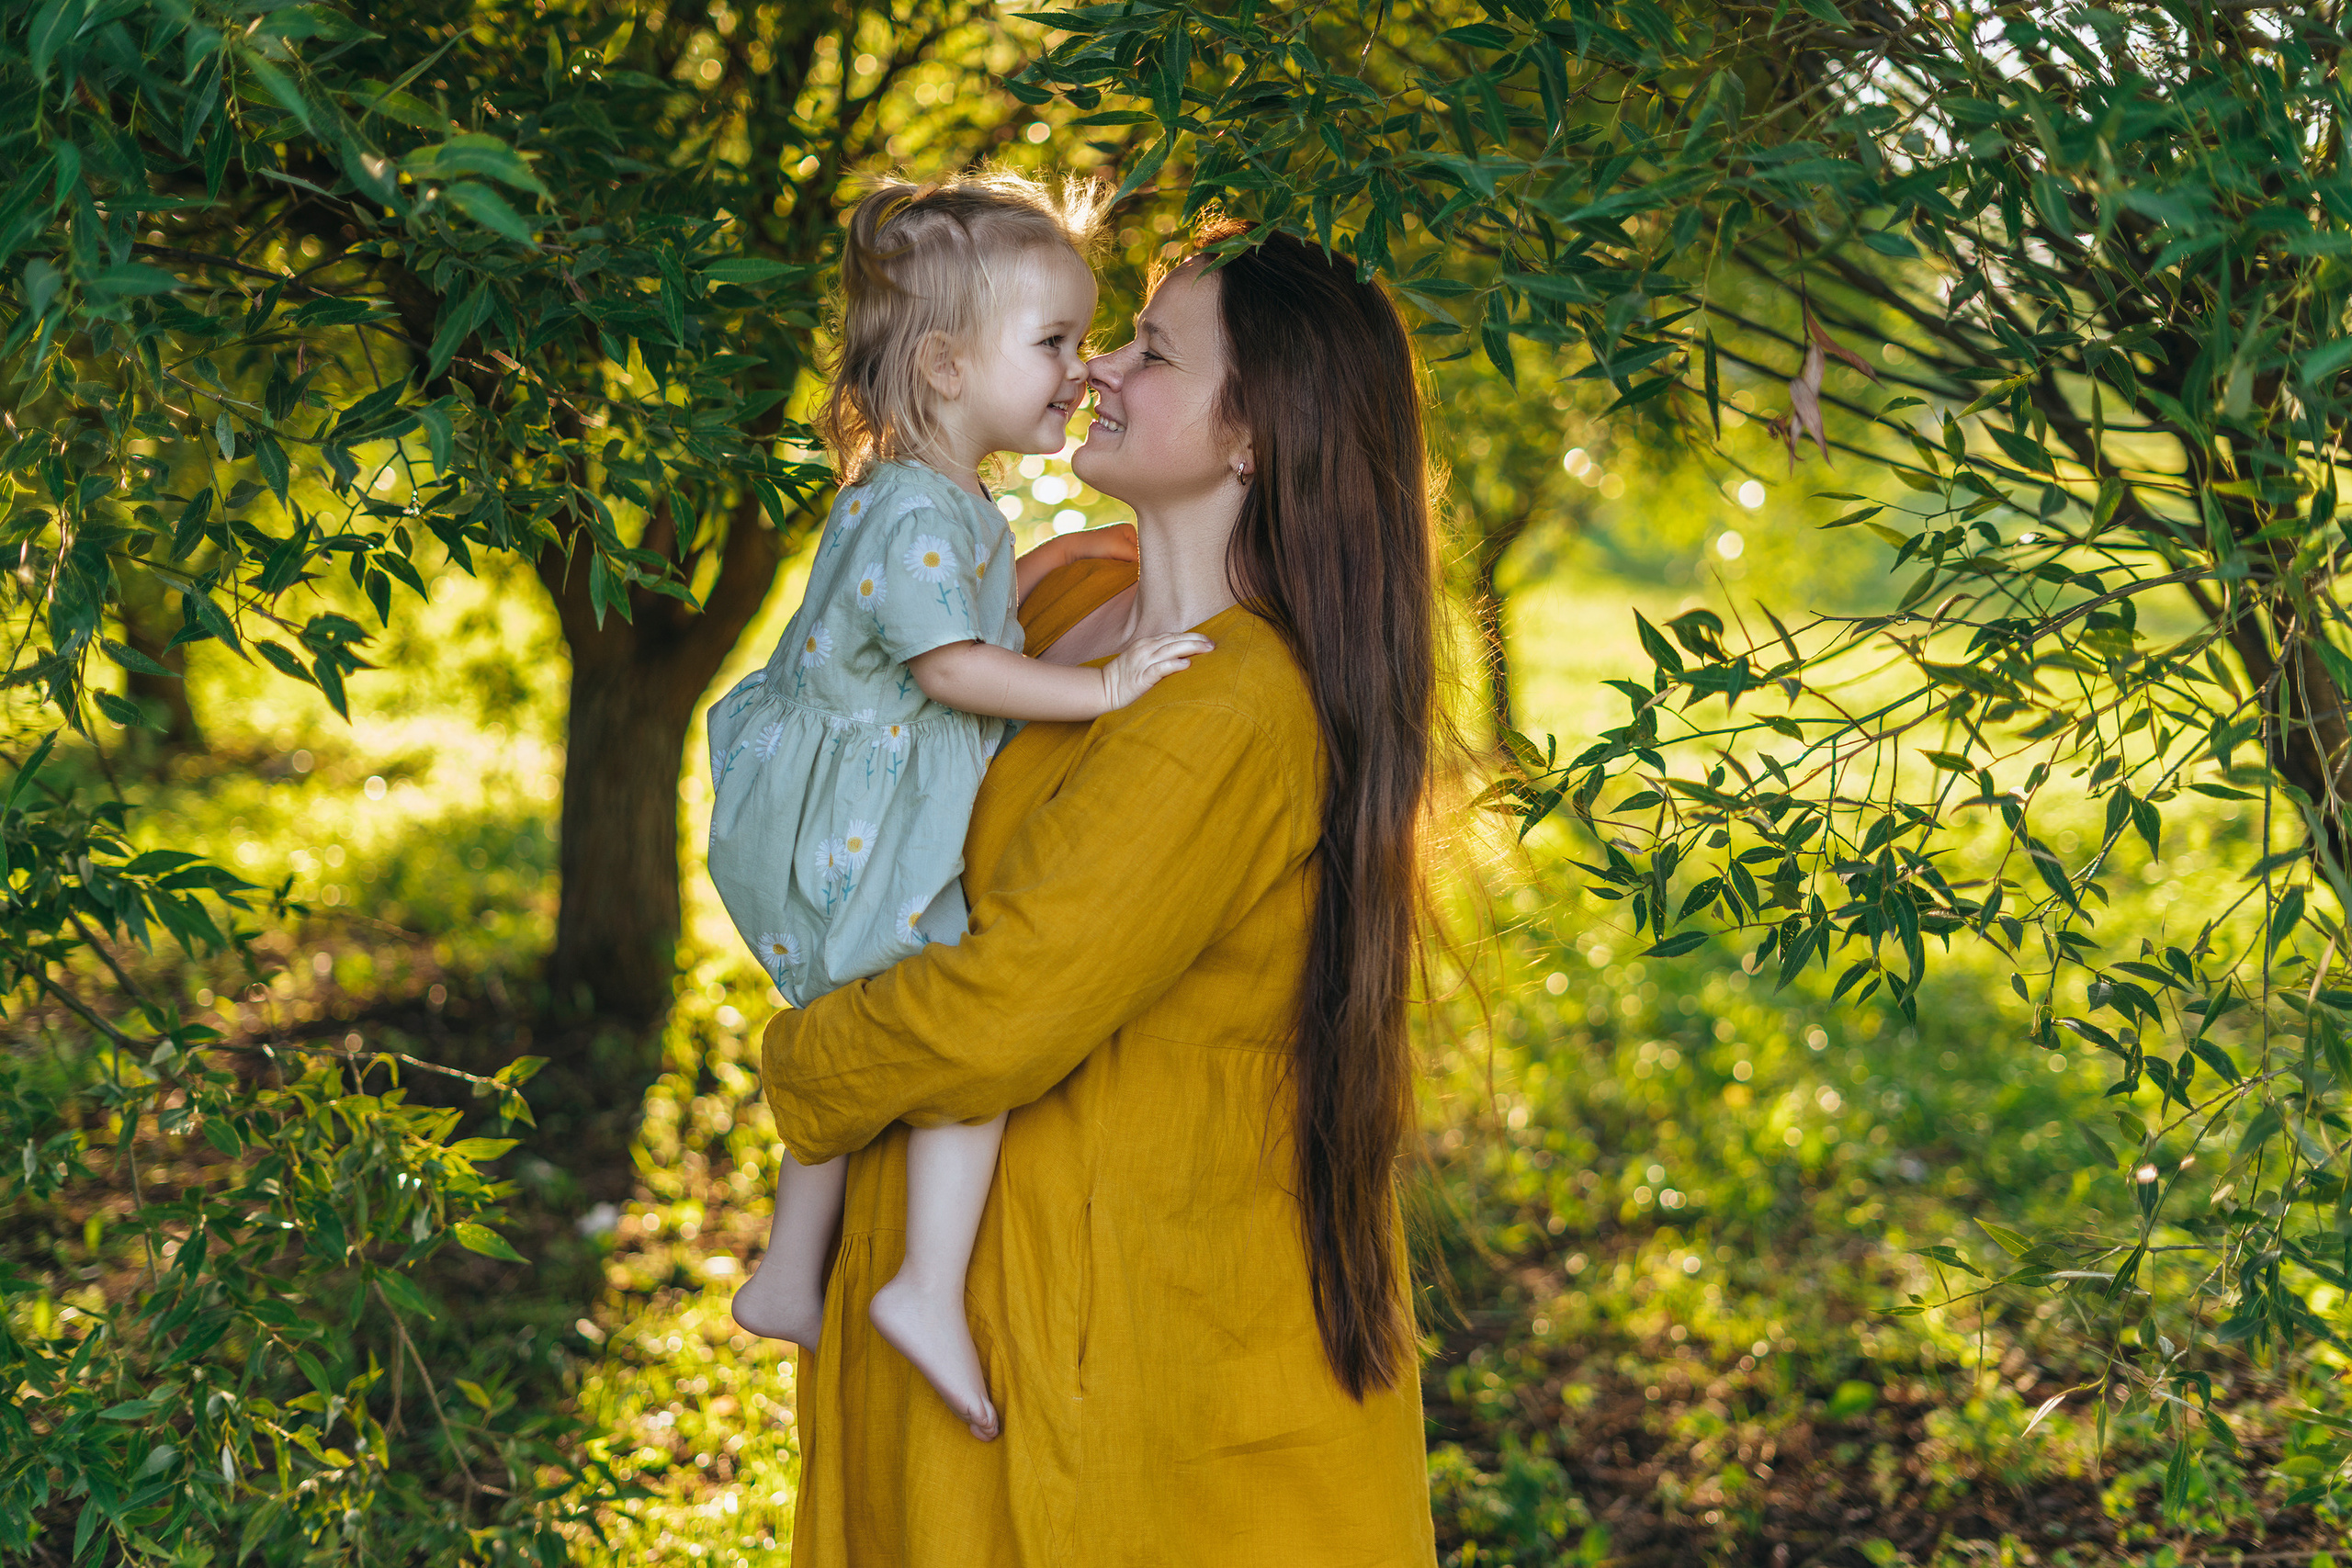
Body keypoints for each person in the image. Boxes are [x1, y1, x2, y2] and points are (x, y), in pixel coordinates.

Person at [758, 224, 1442, 1564]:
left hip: (1097, 1332)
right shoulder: (1066, 593)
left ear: (1255, 434)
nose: (1102, 371)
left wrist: (803, 1064)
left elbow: (1004, 1006)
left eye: (1154, 351)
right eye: (1114, 337)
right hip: (938, 1277)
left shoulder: (1237, 706)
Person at [708, 169, 1212, 1442]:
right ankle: (924, 1287)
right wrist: (1104, 686)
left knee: (858, 1008)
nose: (1081, 369)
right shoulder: (920, 511)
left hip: (845, 807)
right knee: (959, 1031)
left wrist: (1073, 577)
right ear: (944, 366)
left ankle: (788, 1273)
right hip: (856, 823)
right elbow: (951, 669)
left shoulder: (930, 496)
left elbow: (961, 630)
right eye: (1053, 342)